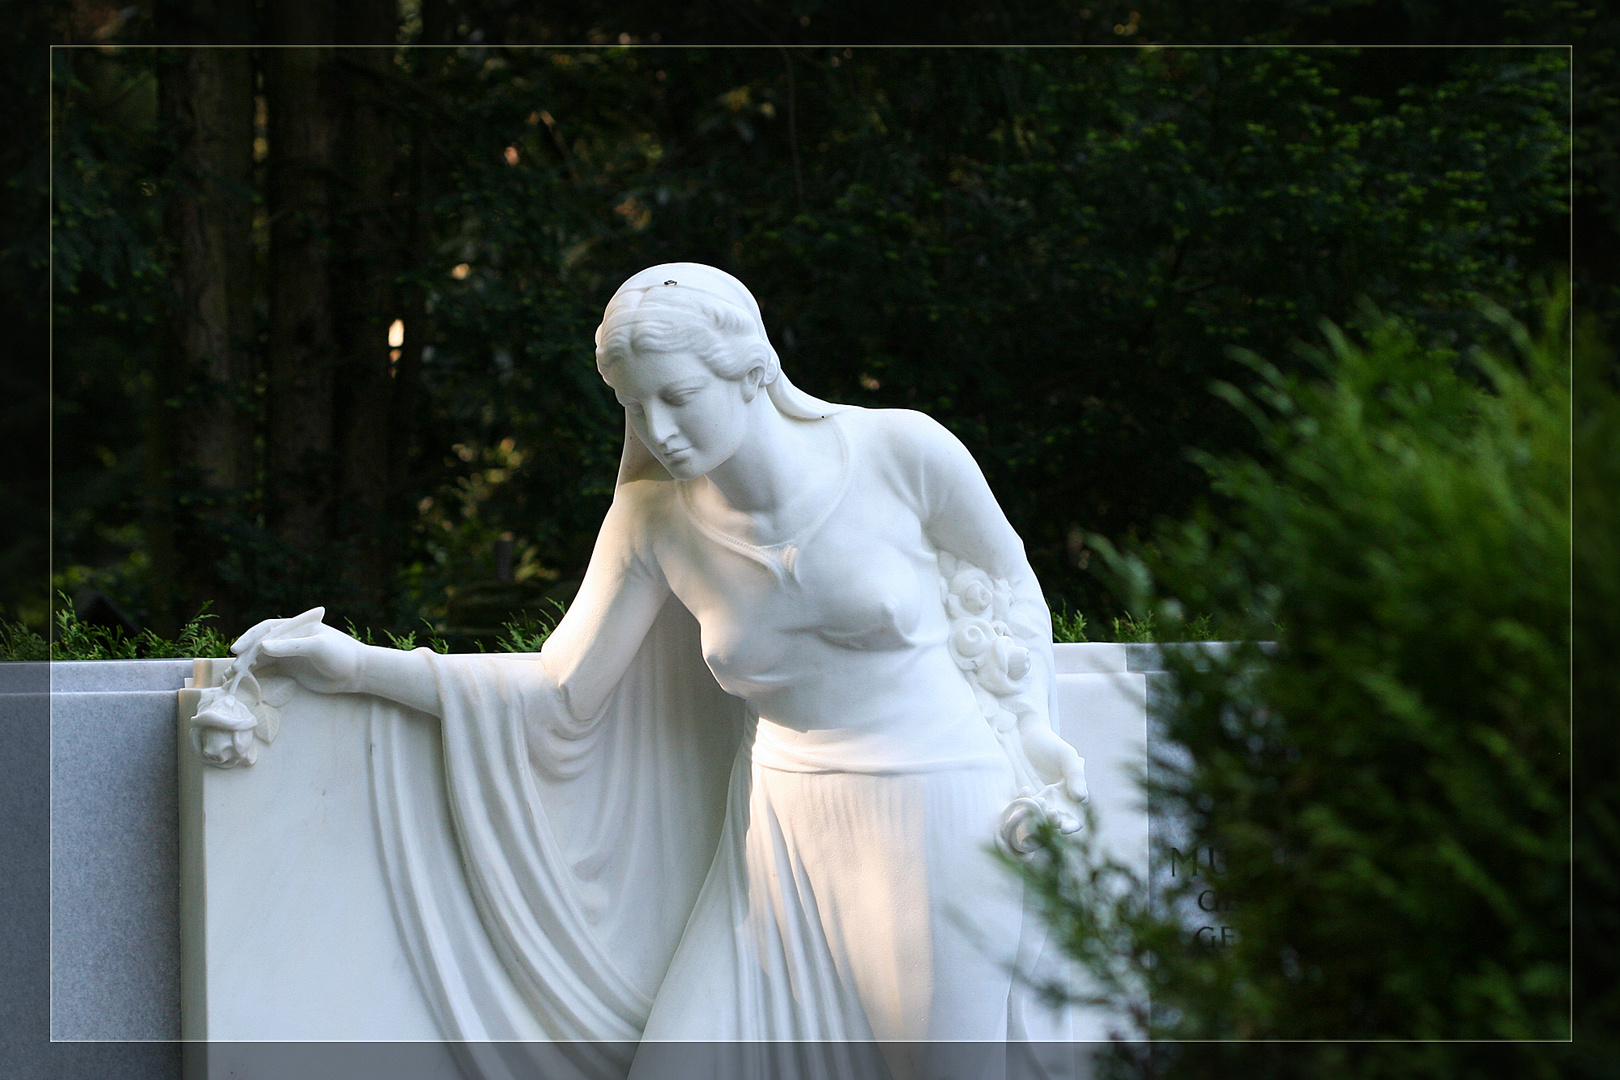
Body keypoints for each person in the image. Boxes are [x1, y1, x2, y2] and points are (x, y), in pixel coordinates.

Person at [249, 263, 1086, 1071]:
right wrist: (356, 667)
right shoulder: (651, 520)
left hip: (934, 802)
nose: (660, 431)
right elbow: (561, 691)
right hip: (778, 830)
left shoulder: (901, 451)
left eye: (679, 397)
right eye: (635, 407)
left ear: (752, 371)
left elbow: (1007, 589)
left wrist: (1036, 758)